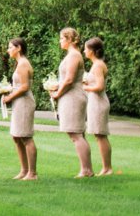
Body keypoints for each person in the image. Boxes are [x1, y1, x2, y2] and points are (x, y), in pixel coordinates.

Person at [52, 27, 94, 178]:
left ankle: (86, 170)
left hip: (73, 97)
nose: (60, 41)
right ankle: (86, 168)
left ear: (69, 39)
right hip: (71, 95)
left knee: (75, 134)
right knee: (77, 134)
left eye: (62, 38)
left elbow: (69, 80)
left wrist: (57, 93)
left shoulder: (74, 56)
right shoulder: (72, 55)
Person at [3, 37, 38, 181]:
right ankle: (24, 170)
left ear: (19, 48)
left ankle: (33, 173)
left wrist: (9, 97)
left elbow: (24, 87)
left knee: (26, 136)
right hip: (19, 102)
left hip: (24, 102)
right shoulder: (19, 63)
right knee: (17, 136)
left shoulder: (23, 64)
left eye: (11, 47)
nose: (8, 50)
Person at [84, 36, 112, 175]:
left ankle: (107, 168)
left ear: (93, 51)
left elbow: (100, 86)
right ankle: (106, 167)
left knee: (101, 135)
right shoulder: (96, 64)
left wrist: (85, 87)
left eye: (86, 49)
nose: (84, 51)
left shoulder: (98, 65)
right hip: (94, 101)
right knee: (98, 134)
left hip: (99, 102)